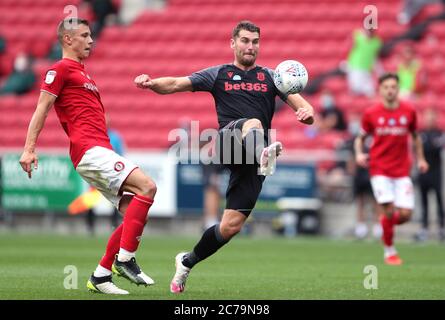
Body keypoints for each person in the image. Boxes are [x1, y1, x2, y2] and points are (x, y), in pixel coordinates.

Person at [134, 20, 315, 293]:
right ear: (233, 43)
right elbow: (174, 84)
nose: (250, 46)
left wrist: (307, 113)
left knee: (231, 226)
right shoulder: (219, 74)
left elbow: (304, 107)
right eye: (244, 41)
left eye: (255, 42)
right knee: (252, 123)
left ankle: (186, 262)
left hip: (253, 161)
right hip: (228, 143)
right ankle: (264, 153)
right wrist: (150, 83)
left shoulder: (271, 77)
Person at [19, 18, 157, 295]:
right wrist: (29, 148)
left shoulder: (83, 74)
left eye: (92, 35)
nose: (91, 40)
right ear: (68, 39)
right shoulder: (59, 70)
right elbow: (42, 107)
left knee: (135, 214)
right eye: (84, 35)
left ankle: (101, 275)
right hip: (88, 150)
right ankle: (125, 260)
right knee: (148, 186)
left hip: (99, 149)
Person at [354, 73, 429, 265]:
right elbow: (359, 138)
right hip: (379, 169)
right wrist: (359, 154)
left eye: (393, 87)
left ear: (398, 88)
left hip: (402, 170)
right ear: (380, 89)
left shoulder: (409, 111)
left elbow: (416, 137)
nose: (390, 90)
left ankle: (385, 225)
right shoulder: (371, 113)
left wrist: (421, 159)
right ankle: (390, 252)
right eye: (386, 87)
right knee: (388, 209)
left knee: (405, 215)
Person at [414, 108, 445, 242]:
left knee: (439, 200)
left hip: (436, 173)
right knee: (424, 201)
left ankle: (441, 228)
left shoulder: (439, 134)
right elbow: (418, 148)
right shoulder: (421, 134)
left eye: (431, 117)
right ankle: (424, 228)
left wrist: (427, 146)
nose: (429, 120)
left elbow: (435, 147)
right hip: (423, 173)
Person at [346, 28, 383, 97]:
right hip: (355, 67)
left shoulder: (376, 42)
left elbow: (375, 56)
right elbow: (349, 46)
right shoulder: (358, 36)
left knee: (370, 91)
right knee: (356, 89)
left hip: (367, 69)